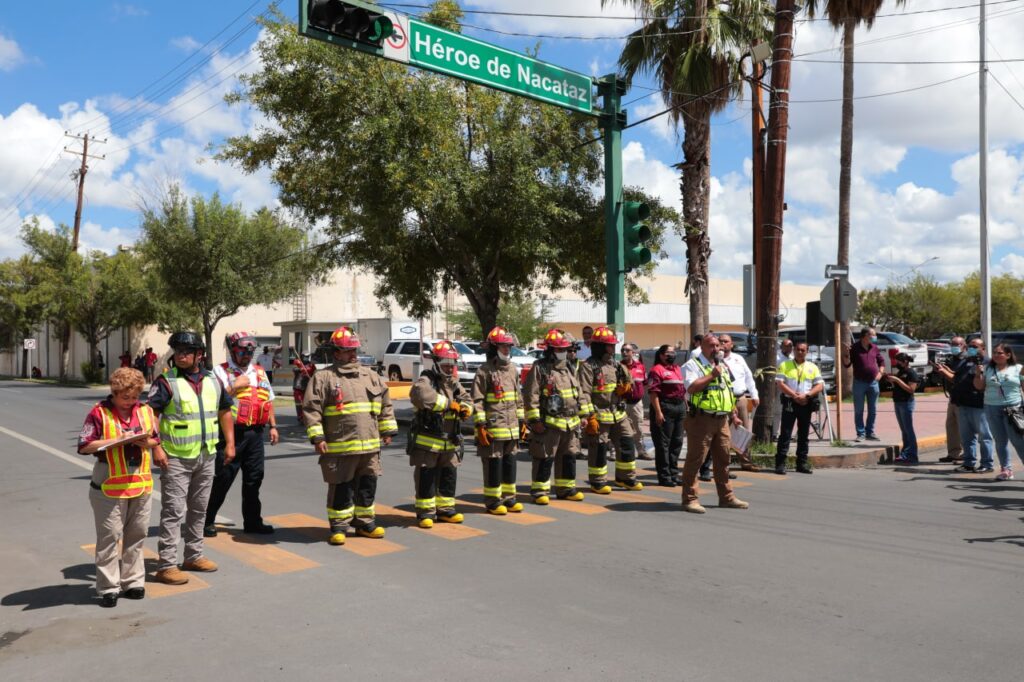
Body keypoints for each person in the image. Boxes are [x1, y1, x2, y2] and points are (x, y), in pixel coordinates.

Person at [146, 332, 235, 585]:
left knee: (199, 509)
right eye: (177, 350)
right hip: (175, 457)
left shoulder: (213, 381)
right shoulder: (166, 382)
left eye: (186, 351)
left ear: (199, 355)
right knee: (173, 512)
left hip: (206, 455)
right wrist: (156, 447)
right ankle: (166, 565)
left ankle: (193, 555)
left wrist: (229, 444)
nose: (180, 355)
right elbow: (151, 415)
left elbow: (225, 411)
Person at [301, 326, 398, 544]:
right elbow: (311, 409)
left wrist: (387, 429)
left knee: (367, 484)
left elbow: (385, 405)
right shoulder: (324, 377)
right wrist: (318, 437)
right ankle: (339, 526)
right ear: (336, 353)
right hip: (340, 447)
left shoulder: (371, 376)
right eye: (347, 351)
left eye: (355, 350)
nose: (353, 354)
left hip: (370, 448)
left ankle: (365, 523)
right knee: (341, 487)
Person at [77, 367, 161, 607]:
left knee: (137, 534)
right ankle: (108, 587)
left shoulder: (145, 411)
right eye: (125, 397)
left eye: (134, 397)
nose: (130, 402)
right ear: (114, 392)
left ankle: (133, 582)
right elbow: (84, 445)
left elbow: (156, 438)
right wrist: (114, 441)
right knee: (109, 537)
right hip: (108, 483)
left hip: (140, 481)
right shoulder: (98, 413)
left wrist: (148, 442)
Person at [204, 331, 279, 538]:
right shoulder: (220, 371)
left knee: (254, 479)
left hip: (255, 434)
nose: (246, 355)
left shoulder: (259, 372)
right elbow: (212, 400)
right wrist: (233, 386)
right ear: (233, 351)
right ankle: (206, 520)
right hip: (231, 433)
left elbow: (268, 400)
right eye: (242, 352)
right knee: (223, 478)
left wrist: (273, 426)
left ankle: (253, 522)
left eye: (249, 352)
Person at [679, 334, 748, 513]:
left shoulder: (722, 366)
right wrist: (711, 375)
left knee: (724, 459)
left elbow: (727, 391)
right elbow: (691, 388)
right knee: (696, 460)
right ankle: (690, 499)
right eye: (712, 346)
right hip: (701, 420)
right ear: (701, 346)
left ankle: (726, 497)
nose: (716, 349)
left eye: (718, 345)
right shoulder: (692, 365)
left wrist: (733, 414)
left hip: (722, 419)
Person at [408, 340, 473, 527]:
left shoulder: (453, 383)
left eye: (451, 364)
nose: (449, 368)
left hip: (450, 441)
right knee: (426, 477)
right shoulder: (426, 379)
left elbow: (467, 399)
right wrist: (448, 404)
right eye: (445, 364)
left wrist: (466, 409)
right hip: (428, 441)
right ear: (436, 362)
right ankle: (425, 513)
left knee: (448, 475)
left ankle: (445, 510)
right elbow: (420, 395)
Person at [523, 329, 586, 504]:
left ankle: (566, 489)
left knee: (569, 456)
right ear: (550, 350)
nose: (562, 353)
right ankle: (540, 491)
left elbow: (578, 392)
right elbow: (531, 395)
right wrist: (534, 420)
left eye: (564, 349)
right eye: (559, 350)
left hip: (571, 423)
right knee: (544, 457)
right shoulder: (540, 368)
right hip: (549, 424)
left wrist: (583, 415)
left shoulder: (570, 367)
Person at [579, 326, 642, 493]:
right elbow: (583, 392)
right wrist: (589, 416)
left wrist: (627, 387)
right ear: (600, 346)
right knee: (598, 449)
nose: (613, 348)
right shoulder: (588, 366)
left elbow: (629, 382)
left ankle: (625, 478)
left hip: (618, 413)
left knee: (627, 443)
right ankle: (598, 482)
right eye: (610, 345)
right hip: (599, 415)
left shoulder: (616, 364)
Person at [471, 326, 526, 515]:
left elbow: (518, 398)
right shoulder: (484, 371)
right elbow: (477, 401)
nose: (507, 350)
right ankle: (493, 501)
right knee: (494, 465)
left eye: (509, 347)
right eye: (503, 347)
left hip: (511, 429)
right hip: (493, 428)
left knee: (510, 463)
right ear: (495, 348)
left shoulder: (513, 370)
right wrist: (481, 425)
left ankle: (509, 498)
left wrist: (522, 421)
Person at [708, 333, 760, 473]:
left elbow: (749, 378)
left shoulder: (738, 359)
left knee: (742, 432)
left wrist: (754, 394)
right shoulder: (713, 360)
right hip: (722, 401)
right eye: (721, 341)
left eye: (726, 341)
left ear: (731, 345)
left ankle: (746, 461)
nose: (723, 344)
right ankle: (724, 465)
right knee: (722, 434)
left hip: (740, 399)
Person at [974, 343, 1024, 481]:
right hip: (991, 407)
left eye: (1000, 353)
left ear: (1008, 355)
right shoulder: (989, 369)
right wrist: (978, 374)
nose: (996, 355)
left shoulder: (1018, 369)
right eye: (995, 352)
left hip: (1013, 409)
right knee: (1000, 441)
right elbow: (979, 386)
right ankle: (1006, 470)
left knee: (1018, 441)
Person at [944, 338, 995, 474]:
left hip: (980, 405)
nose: (971, 348)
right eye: (970, 346)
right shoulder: (967, 361)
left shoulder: (988, 363)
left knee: (984, 436)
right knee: (967, 437)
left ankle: (987, 463)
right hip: (963, 404)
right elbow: (956, 378)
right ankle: (968, 462)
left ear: (983, 348)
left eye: (974, 346)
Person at [774, 342, 825, 475]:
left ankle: (801, 463)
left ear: (807, 352)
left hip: (805, 403)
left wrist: (806, 395)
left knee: (803, 434)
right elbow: (780, 383)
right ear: (794, 350)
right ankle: (780, 464)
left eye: (803, 350)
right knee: (785, 433)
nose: (800, 352)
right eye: (797, 349)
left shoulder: (812, 367)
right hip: (790, 402)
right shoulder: (785, 365)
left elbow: (819, 385)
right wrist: (794, 395)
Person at [648, 344, 684, 487]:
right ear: (661, 355)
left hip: (679, 407)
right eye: (668, 352)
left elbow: (682, 389)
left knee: (677, 442)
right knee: (663, 444)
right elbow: (653, 393)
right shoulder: (656, 370)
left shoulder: (677, 369)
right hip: (665, 406)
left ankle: (674, 474)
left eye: (673, 352)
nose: (672, 354)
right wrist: (658, 412)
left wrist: (685, 406)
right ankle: (664, 476)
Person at [842, 327, 884, 442]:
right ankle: (861, 433)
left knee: (873, 409)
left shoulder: (874, 347)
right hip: (859, 383)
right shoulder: (854, 348)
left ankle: (870, 432)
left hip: (873, 383)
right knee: (859, 410)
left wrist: (880, 373)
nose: (874, 337)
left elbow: (881, 361)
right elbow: (846, 364)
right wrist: (846, 353)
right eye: (872, 335)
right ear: (865, 336)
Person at [934, 336, 966, 463]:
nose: (954, 346)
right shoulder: (953, 359)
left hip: (962, 398)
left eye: (957, 344)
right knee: (951, 426)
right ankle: (954, 453)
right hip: (953, 397)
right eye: (952, 344)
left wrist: (945, 372)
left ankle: (965, 454)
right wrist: (941, 370)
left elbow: (957, 378)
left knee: (962, 427)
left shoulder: (966, 360)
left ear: (963, 345)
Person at [887, 352, 920, 465]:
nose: (896, 363)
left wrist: (897, 381)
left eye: (898, 361)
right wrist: (893, 380)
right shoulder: (901, 372)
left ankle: (913, 455)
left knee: (909, 430)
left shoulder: (911, 373)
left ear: (905, 362)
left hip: (906, 403)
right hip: (898, 402)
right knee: (904, 430)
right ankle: (905, 453)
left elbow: (911, 389)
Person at [620, 343, 651, 461]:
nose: (624, 352)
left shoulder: (640, 367)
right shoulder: (618, 366)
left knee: (638, 428)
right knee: (619, 428)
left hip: (636, 403)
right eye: (623, 350)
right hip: (621, 402)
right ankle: (614, 451)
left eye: (627, 350)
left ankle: (641, 451)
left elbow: (645, 383)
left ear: (633, 352)